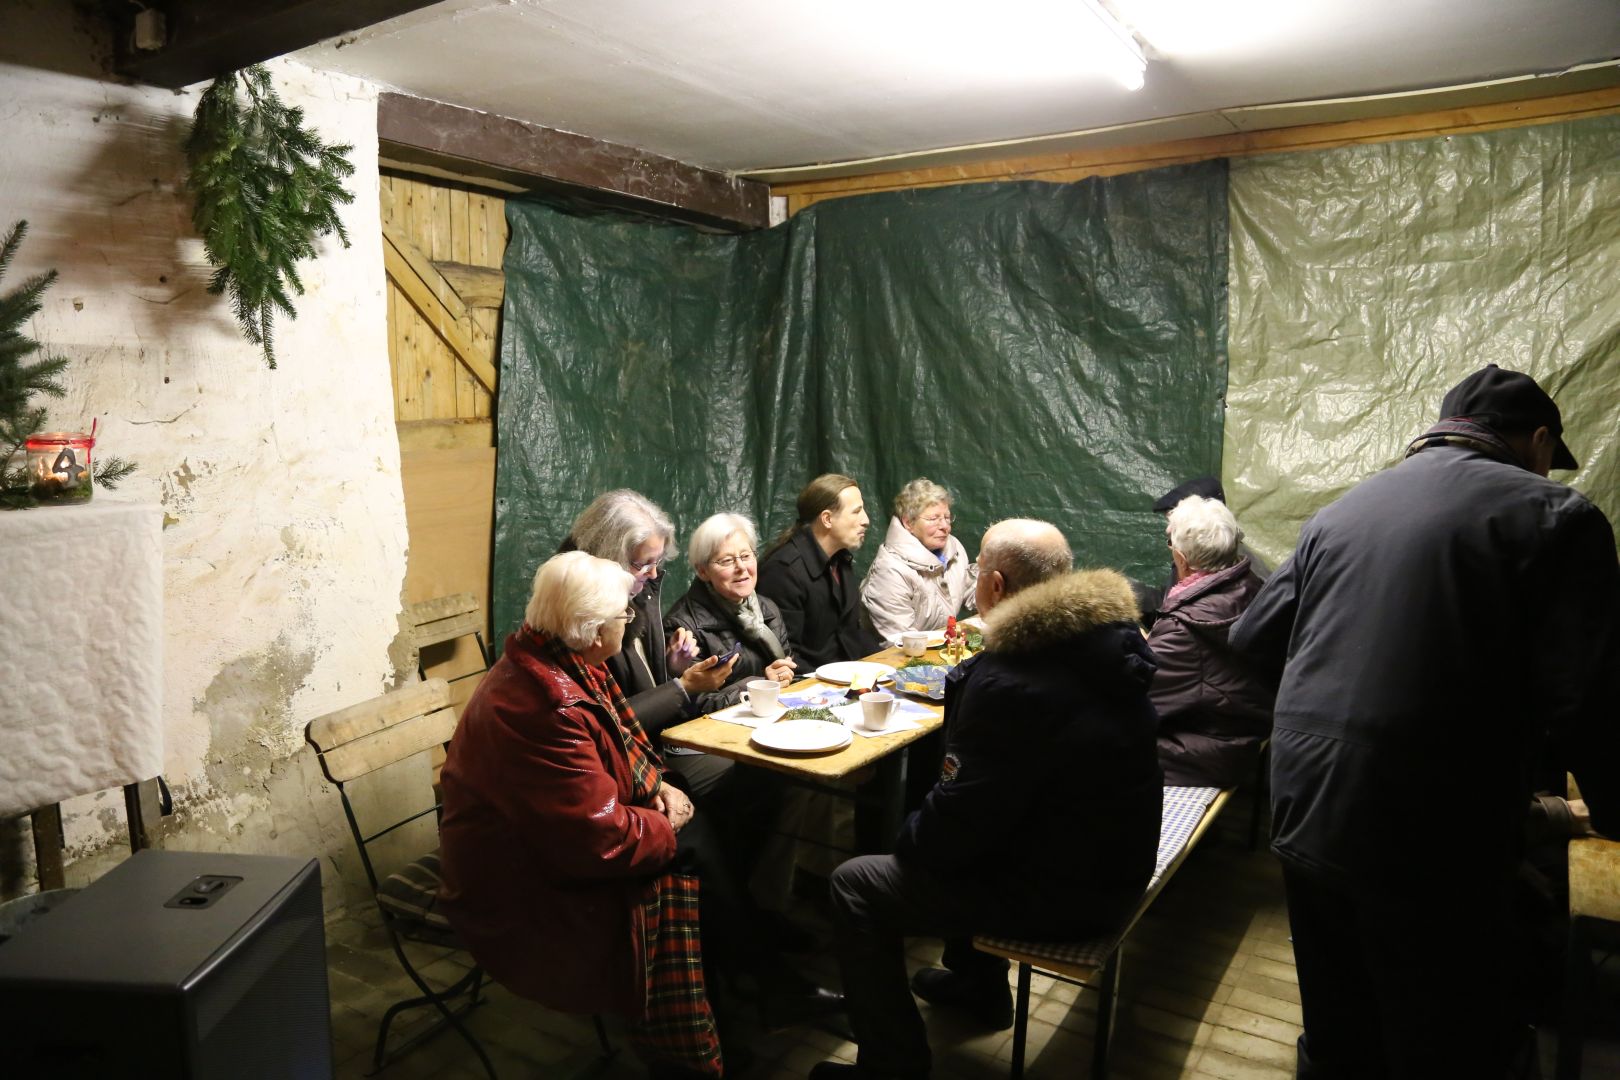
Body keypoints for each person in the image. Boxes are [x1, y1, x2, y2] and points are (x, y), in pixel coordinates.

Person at [1230, 364, 1619, 1079]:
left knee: (1340, 1028)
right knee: (1446, 1038)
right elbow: (1591, 700)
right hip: (1432, 830)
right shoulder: (1558, 517)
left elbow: (1252, 642)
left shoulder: (1340, 512)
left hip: (1305, 805)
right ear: (1538, 442)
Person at [439, 552, 843, 1080]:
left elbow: (619, 748)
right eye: (624, 615)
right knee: (692, 860)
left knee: (707, 832)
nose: (631, 622)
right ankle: (729, 1012)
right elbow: (601, 838)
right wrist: (667, 811)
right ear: (589, 627)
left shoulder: (560, 661)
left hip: (551, 840)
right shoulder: (545, 705)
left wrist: (660, 788)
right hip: (520, 880)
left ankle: (744, 998)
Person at [812, 520, 1164, 1080]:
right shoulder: (1104, 642)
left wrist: (906, 836)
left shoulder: (1014, 680)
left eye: (976, 567)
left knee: (857, 884)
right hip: (1114, 863)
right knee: (976, 828)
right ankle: (978, 988)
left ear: (995, 586)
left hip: (1069, 896)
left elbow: (959, 828)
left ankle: (891, 1065)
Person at [562, 490, 736, 795]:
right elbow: (607, 724)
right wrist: (684, 688)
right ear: (609, 556)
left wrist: (671, 667)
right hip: (624, 764)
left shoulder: (641, 590)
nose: (654, 573)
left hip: (658, 743)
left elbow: (641, 687)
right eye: (644, 563)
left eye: (657, 561)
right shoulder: (585, 619)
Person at [1148, 494, 1276, 788]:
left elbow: (1137, 700)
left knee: (1092, 736)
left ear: (1181, 558)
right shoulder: (1252, 587)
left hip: (1210, 750)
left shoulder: (1183, 628)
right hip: (1247, 728)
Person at [665, 512, 798, 714]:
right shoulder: (683, 625)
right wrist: (762, 686)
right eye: (727, 561)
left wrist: (782, 676)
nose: (741, 567)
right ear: (702, 571)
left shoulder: (767, 608)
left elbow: (785, 670)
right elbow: (693, 704)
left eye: (746, 556)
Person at [758, 473, 883, 669]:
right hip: (810, 689)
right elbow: (785, 654)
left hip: (847, 678)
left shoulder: (840, 561)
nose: (866, 520)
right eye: (856, 511)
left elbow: (852, 633)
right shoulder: (783, 572)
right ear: (827, 519)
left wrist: (889, 666)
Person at [1134, 474, 1271, 627]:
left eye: (1174, 522)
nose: (1168, 530)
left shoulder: (1247, 580)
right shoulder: (1195, 554)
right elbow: (1169, 601)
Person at [860, 477, 978, 642]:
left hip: (942, 648)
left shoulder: (953, 549)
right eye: (934, 519)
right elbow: (900, 643)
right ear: (908, 523)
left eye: (947, 517)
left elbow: (971, 591)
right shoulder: (889, 571)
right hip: (897, 660)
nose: (945, 526)